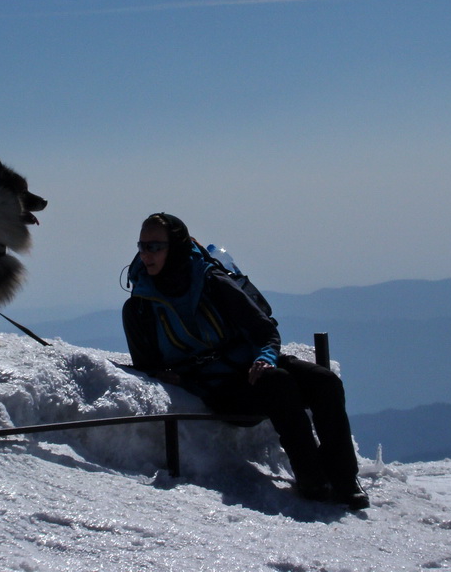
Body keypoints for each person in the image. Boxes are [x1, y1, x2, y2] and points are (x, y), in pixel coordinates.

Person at [122, 213, 369, 510]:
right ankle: (312, 478)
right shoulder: (139, 307)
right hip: (218, 388)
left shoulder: (211, 281)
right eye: (142, 246)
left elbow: (263, 329)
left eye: (155, 246)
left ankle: (344, 479)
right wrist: (185, 378)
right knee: (279, 383)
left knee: (325, 382)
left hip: (254, 365)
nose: (146, 254)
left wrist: (265, 358)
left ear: (175, 247)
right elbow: (148, 364)